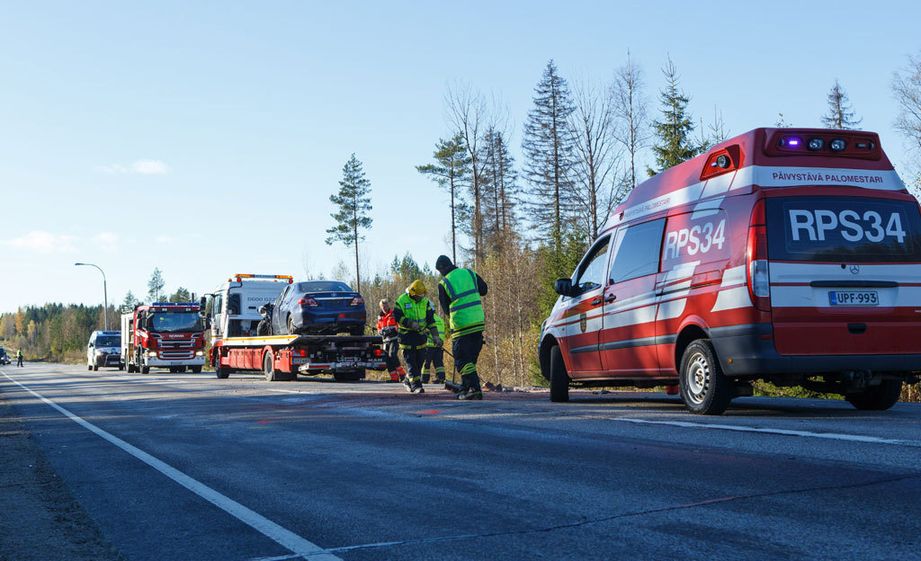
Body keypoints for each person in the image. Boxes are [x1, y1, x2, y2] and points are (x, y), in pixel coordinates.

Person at [435, 255, 487, 400]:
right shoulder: (469, 273)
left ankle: (474, 388)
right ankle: (465, 386)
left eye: (440, 271)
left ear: (442, 268)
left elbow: (446, 309)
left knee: (462, 360)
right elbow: (484, 290)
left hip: (462, 325)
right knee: (470, 359)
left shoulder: (444, 282)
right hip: (478, 322)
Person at [393, 280, 441, 393]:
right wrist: (410, 323)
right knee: (411, 362)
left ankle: (407, 380)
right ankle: (416, 386)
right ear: (412, 293)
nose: (420, 298)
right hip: (406, 336)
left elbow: (431, 321)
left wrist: (436, 337)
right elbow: (397, 317)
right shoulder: (401, 301)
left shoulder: (425, 302)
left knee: (420, 361)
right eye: (418, 296)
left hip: (420, 336)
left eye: (422, 295)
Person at [376, 298, 406, 383]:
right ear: (380, 307)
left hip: (394, 339)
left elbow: (399, 325)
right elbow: (379, 327)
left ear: (388, 305)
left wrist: (392, 329)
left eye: (385, 306)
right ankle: (394, 378)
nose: (384, 308)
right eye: (382, 306)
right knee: (387, 359)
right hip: (385, 340)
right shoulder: (380, 316)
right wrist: (380, 331)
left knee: (392, 355)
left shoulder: (394, 314)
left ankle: (402, 374)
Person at [422, 313, 446, 384]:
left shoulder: (427, 319)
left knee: (426, 363)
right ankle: (441, 378)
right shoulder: (440, 319)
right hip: (439, 345)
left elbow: (424, 331)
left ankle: (424, 379)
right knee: (439, 363)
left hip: (429, 345)